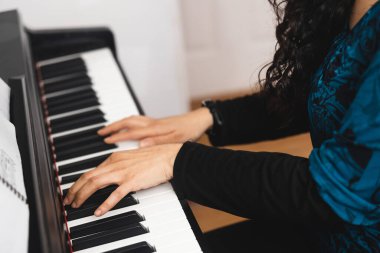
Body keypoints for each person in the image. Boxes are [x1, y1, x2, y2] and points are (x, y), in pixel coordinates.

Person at [64, 0, 380, 252]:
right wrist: (211, 117)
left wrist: (176, 161)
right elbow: (327, 96)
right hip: (322, 229)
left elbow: (332, 191)